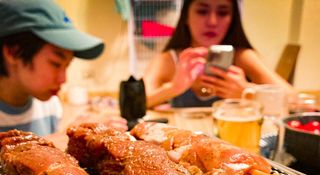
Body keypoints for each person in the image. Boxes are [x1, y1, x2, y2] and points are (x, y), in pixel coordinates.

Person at [0, 0, 127, 147]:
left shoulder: (49, 105)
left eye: (67, 66)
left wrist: (75, 135)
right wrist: (62, 137)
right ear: (13, 52)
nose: (63, 79)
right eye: (55, 64)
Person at [143, 0, 295, 109]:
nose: (212, 21)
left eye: (223, 12)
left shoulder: (241, 56)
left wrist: (247, 92)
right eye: (202, 11)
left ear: (232, 20)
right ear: (186, 17)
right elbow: (134, 103)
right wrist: (174, 88)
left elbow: (297, 101)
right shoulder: (170, 59)